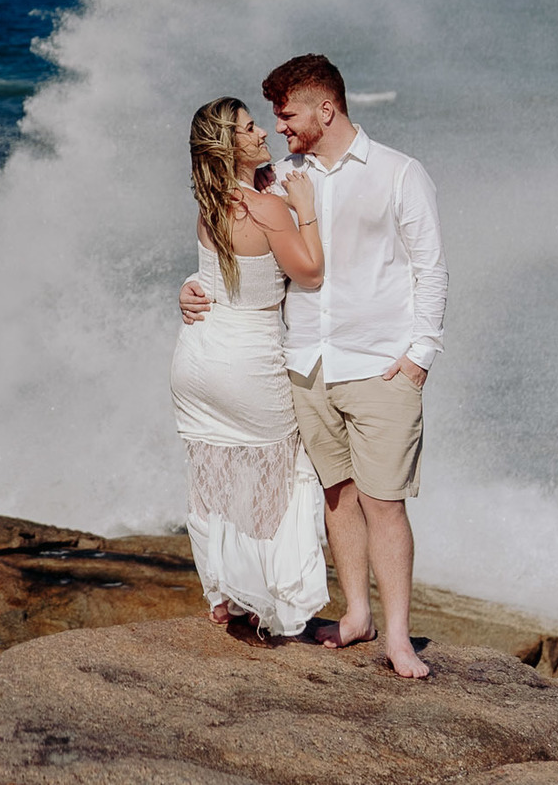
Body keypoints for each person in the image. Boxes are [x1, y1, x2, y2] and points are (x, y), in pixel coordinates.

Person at [181, 54, 447, 679]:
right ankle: (357, 616)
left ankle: (399, 639)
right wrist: (191, 288)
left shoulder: (399, 173)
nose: (277, 127)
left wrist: (420, 356)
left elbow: (430, 268)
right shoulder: (278, 178)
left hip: (381, 364)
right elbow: (229, 244)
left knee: (384, 502)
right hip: (302, 361)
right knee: (335, 493)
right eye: (268, 117)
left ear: (325, 109)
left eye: (287, 113)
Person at [170, 96, 329, 638]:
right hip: (248, 361)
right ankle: (267, 597)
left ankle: (225, 594)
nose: (262, 133)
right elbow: (308, 274)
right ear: (230, 147)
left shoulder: (209, 205)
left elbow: (207, 279)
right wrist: (304, 207)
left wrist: (183, 292)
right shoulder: (268, 208)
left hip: (195, 359)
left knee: (215, 477)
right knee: (281, 471)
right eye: (249, 128)